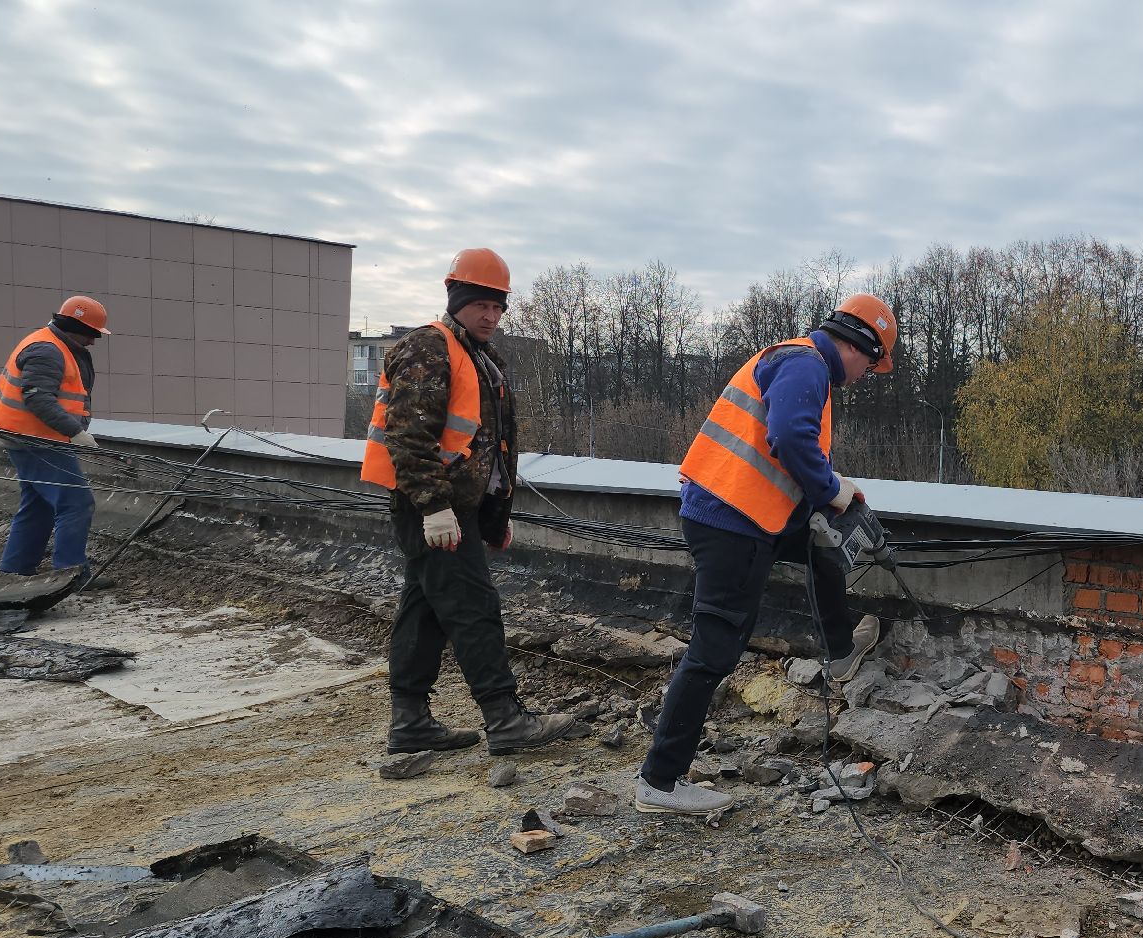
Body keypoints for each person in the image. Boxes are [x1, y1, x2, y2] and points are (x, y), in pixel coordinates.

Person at [635, 294, 896, 815]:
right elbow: (788, 438)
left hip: (745, 516)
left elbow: (781, 449)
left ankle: (840, 652)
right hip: (733, 524)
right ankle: (660, 782)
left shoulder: (798, 361)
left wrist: (831, 495)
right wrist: (829, 491)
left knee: (822, 549)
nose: (868, 374)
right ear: (857, 346)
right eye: (871, 363)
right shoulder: (807, 366)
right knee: (714, 651)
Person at [360, 248, 587, 757]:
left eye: (499, 307)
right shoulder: (428, 349)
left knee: (425, 611)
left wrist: (492, 515)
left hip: (453, 510)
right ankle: (504, 719)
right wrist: (434, 507)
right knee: (473, 608)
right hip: (432, 509)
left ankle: (410, 722)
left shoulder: (478, 357)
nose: (492, 316)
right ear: (457, 299)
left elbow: (490, 447)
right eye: (483, 304)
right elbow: (409, 437)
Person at [0, 296, 107, 585]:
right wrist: (76, 432)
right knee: (77, 503)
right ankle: (70, 576)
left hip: (33, 439)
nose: (93, 341)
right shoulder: (47, 350)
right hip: (37, 441)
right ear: (72, 326)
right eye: (91, 334)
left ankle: (15, 572)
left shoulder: (54, 344)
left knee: (38, 506)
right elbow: (38, 398)